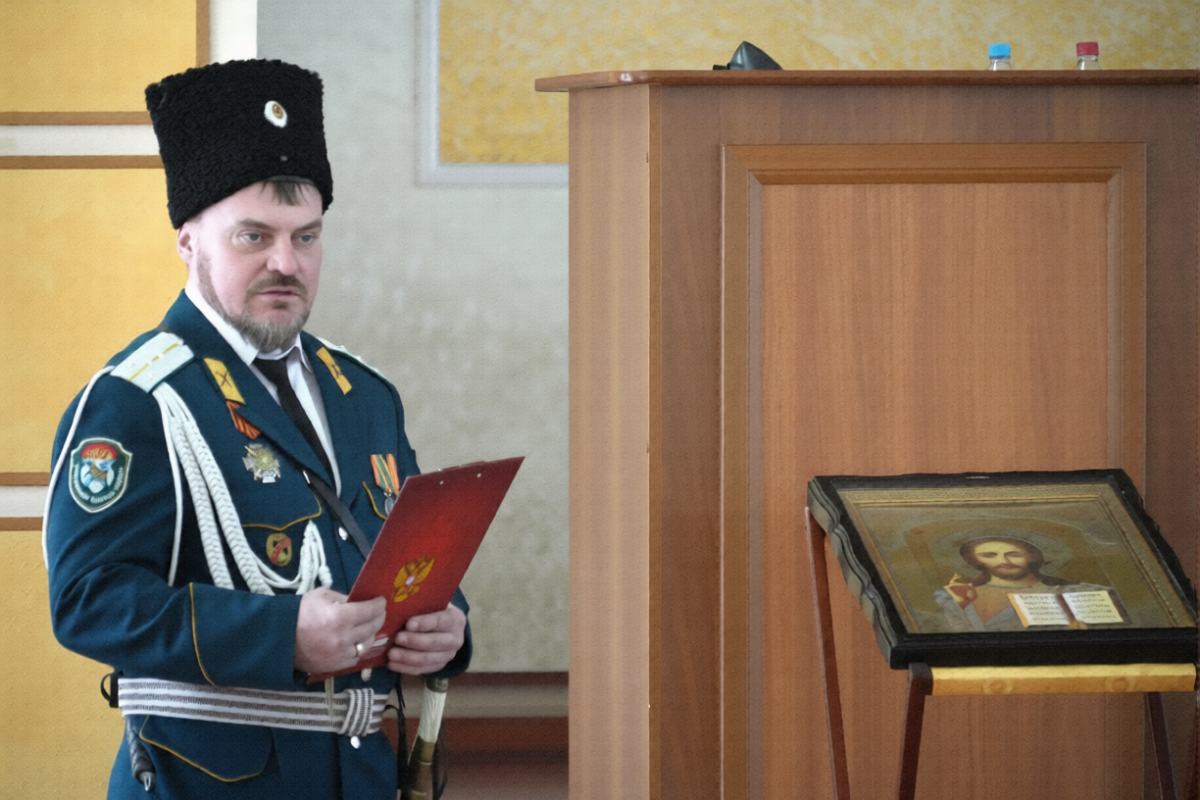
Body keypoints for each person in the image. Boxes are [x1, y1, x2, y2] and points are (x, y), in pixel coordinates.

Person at [43, 59, 470, 799]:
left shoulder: (365, 395)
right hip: (206, 780)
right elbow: (87, 600)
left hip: (360, 775)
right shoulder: (138, 399)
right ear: (189, 242)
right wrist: (282, 635)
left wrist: (448, 626)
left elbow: (401, 554)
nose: (286, 263)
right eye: (253, 237)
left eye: (306, 237)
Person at [934, 534, 1109, 632]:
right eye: (989, 555)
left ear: (1032, 557)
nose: (1004, 561)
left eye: (1014, 554)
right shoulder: (952, 596)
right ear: (975, 560)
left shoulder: (1076, 592)